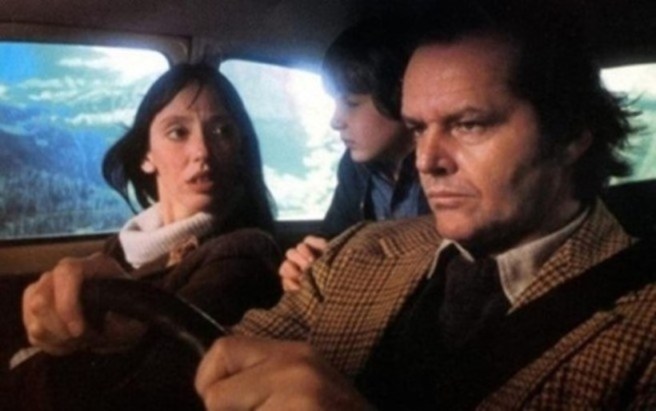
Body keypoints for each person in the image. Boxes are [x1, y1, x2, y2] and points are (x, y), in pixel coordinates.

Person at [194, 4, 656, 410]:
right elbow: (218, 361)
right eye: (417, 129)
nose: (426, 161)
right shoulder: (358, 251)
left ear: (569, 134)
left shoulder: (642, 328)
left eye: (469, 125)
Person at [12, 63, 282, 410]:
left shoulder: (244, 254)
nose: (202, 150)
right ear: (145, 156)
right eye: (178, 132)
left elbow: (167, 375)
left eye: (222, 131)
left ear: (240, 150)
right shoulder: (122, 247)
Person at [279, 18, 429, 292]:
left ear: (398, 95)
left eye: (351, 103)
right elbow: (333, 238)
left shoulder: (439, 166)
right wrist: (304, 263)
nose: (335, 121)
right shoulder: (355, 167)